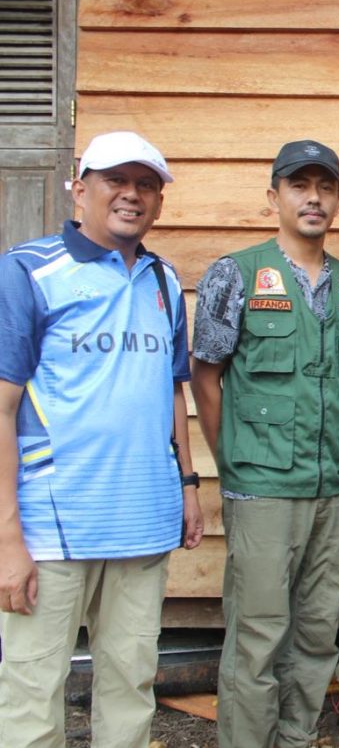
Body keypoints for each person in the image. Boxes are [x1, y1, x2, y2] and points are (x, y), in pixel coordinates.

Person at [0, 131, 203, 747]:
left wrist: (188, 486)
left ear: (159, 202)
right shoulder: (28, 271)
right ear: (79, 189)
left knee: (130, 683)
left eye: (146, 185)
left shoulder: (163, 281)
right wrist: (7, 538)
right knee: (33, 691)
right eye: (116, 180)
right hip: (53, 527)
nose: (131, 195)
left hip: (143, 518)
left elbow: (172, 392)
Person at [191, 140, 339, 748]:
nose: (313, 198)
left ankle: (295, 738)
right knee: (258, 635)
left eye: (325, 187)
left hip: (331, 486)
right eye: (299, 185)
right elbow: (206, 376)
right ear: (274, 197)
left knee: (316, 632)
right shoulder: (235, 274)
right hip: (261, 486)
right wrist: (232, 462)